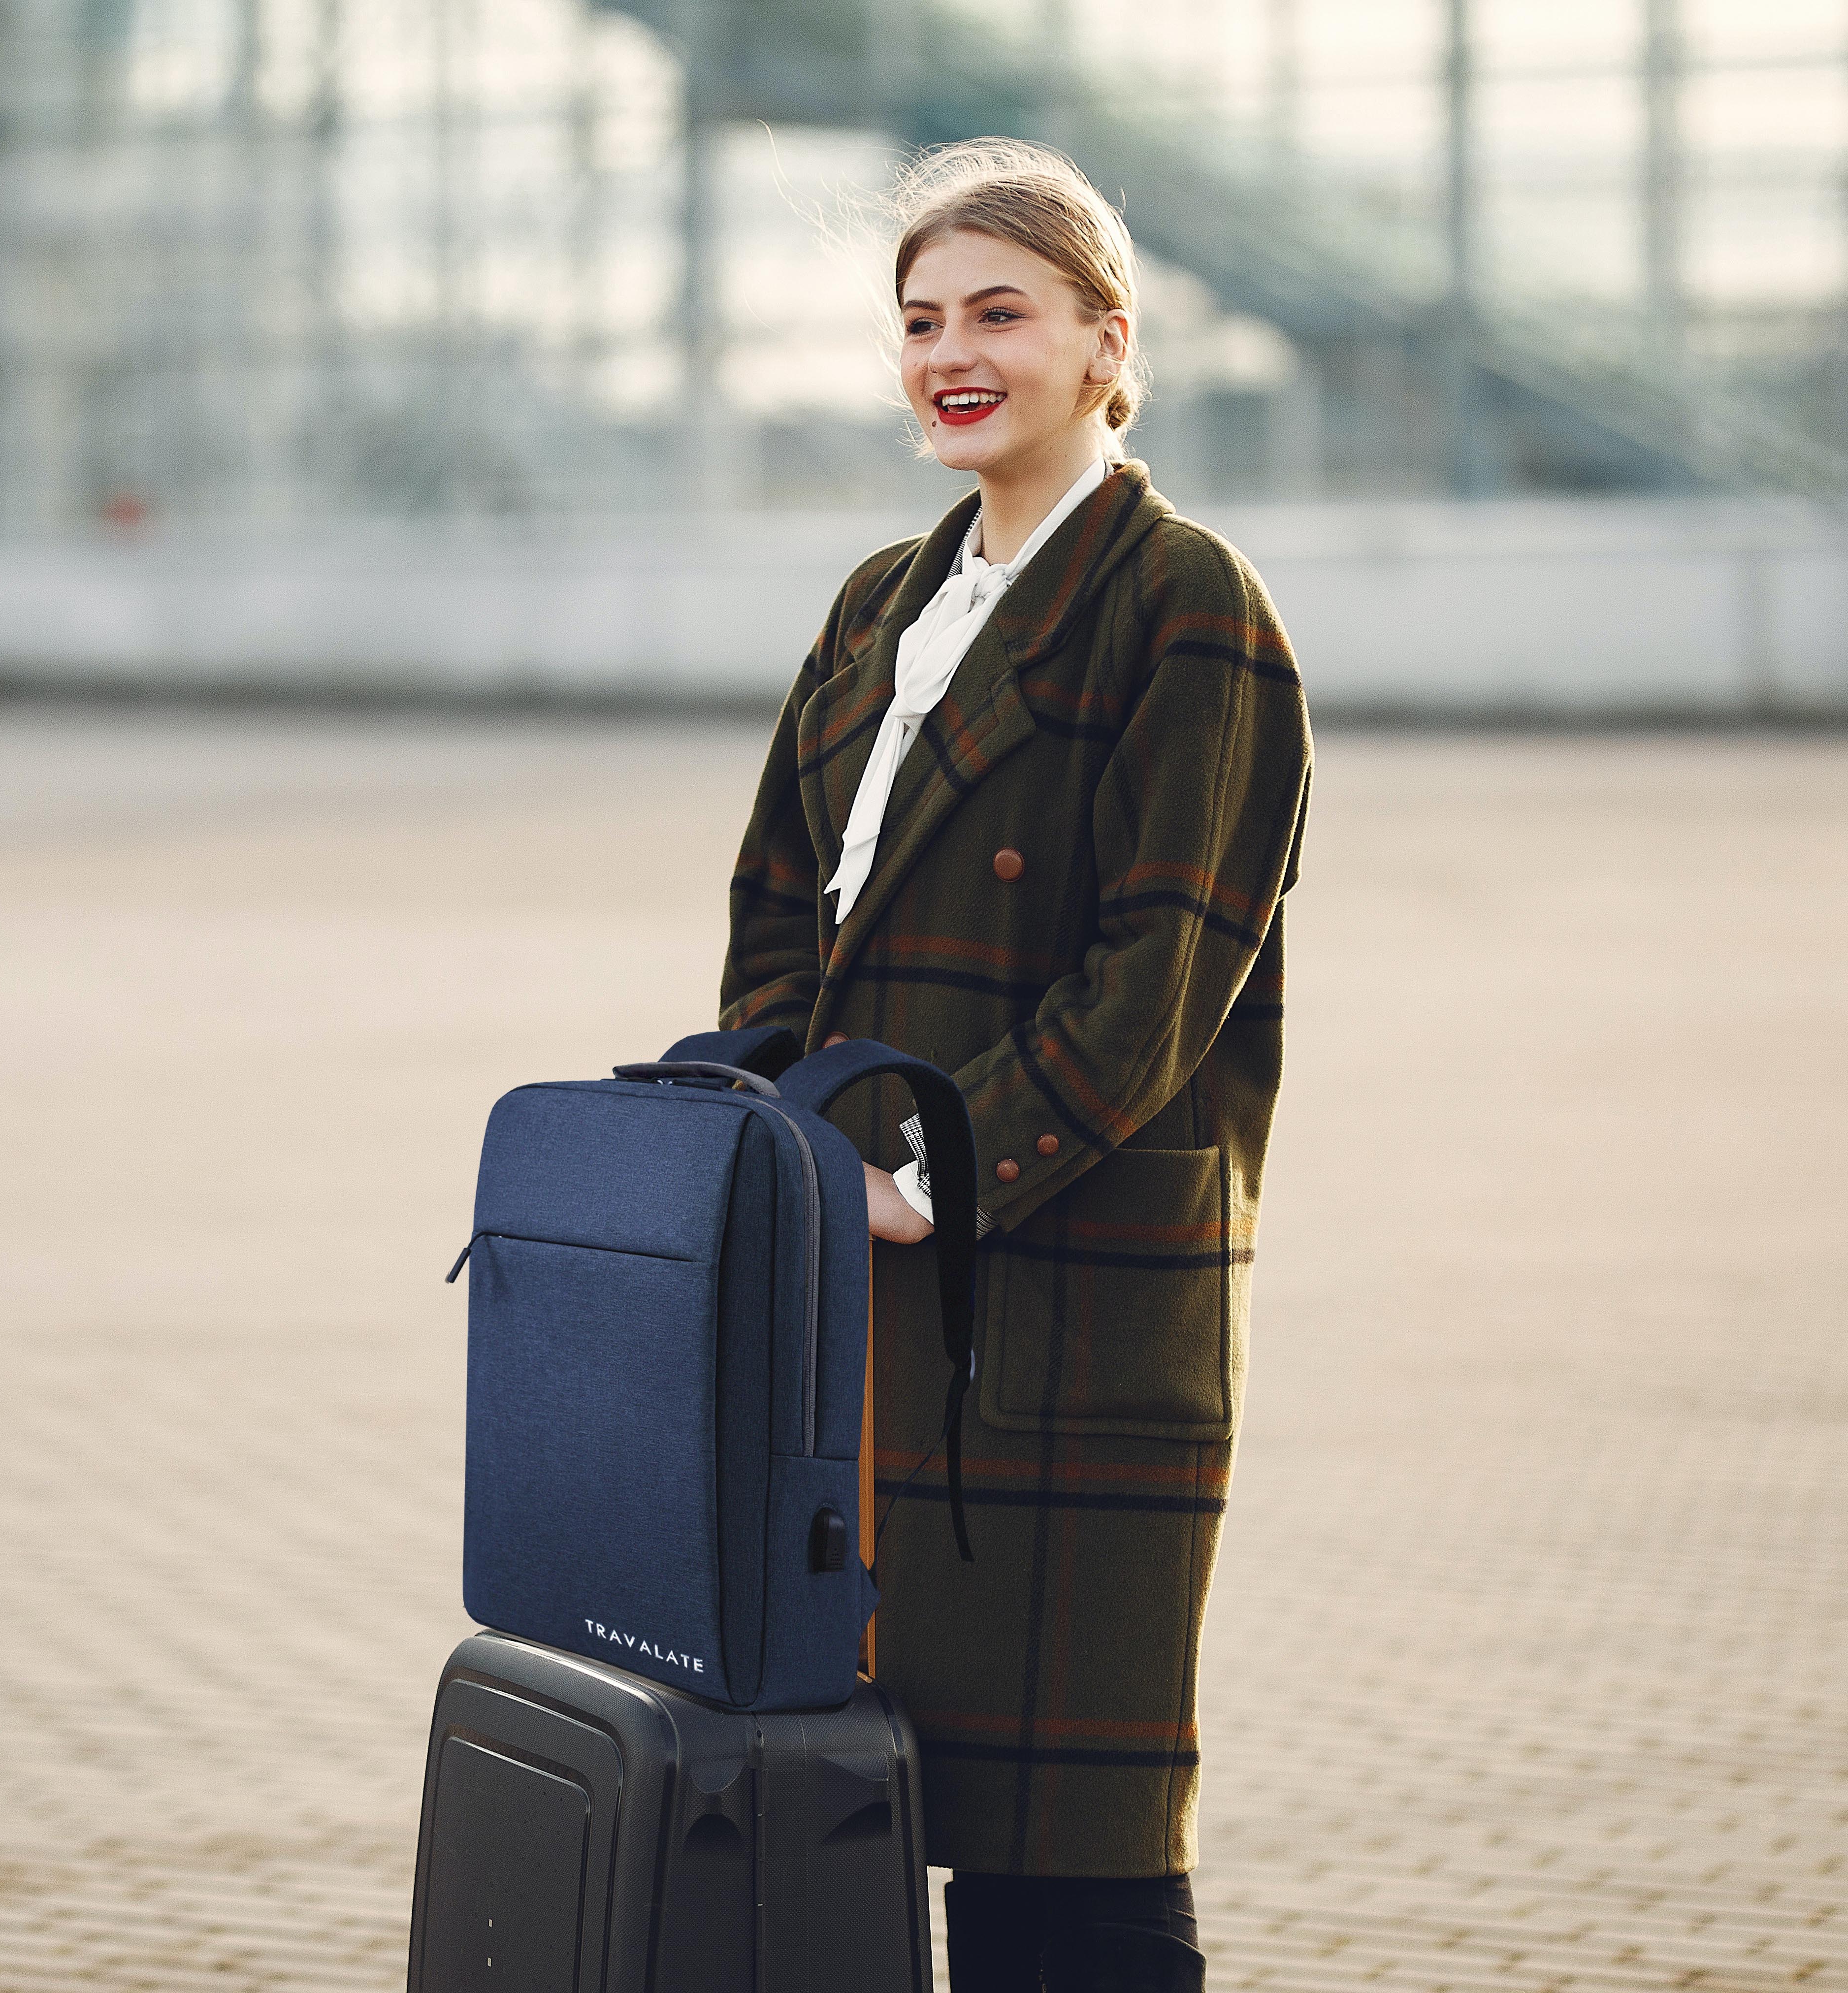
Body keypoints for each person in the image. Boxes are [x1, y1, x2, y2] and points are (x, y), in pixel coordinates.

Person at [717, 139, 1312, 1992]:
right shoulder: (882, 602)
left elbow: (1166, 974)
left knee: (1075, 1826)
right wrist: (753, 1140)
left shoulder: (1186, 602)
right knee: (885, 1795)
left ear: (1102, 339)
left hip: (1062, 1278)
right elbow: (775, 912)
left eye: (999, 313)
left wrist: (944, 1176)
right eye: (919, 323)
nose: (949, 354)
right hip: (861, 1271)